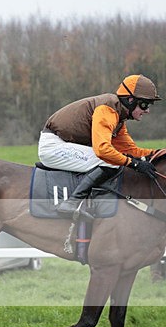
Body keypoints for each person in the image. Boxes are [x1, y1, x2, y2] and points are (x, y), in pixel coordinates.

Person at [38, 74, 164, 219]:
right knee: (109, 160)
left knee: (116, 158)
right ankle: (71, 203)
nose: (147, 110)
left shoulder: (118, 118)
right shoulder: (107, 110)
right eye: (144, 104)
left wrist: (160, 153)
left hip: (64, 144)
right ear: (130, 100)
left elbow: (130, 150)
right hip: (54, 147)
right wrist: (135, 164)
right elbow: (103, 150)